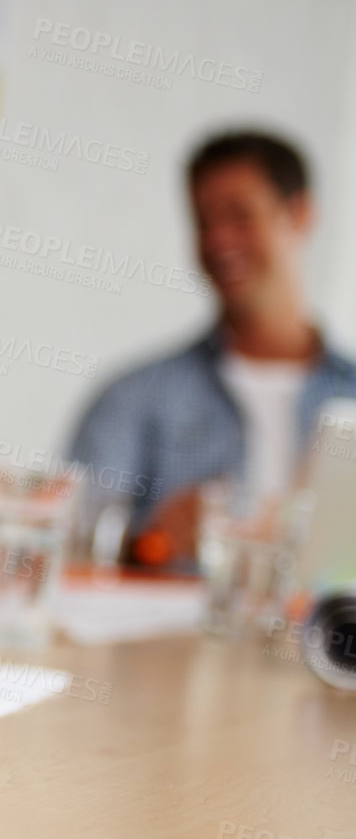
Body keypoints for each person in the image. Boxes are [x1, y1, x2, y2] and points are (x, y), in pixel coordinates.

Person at [68, 130, 356, 566]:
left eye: (240, 216)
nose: (219, 242)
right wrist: (149, 545)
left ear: (298, 215)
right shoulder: (134, 399)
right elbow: (71, 552)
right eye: (204, 222)